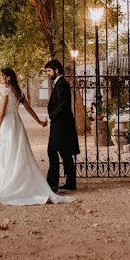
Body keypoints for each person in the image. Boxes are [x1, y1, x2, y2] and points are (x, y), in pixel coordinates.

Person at [0, 67, 73, 205]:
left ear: (8, 78)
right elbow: (28, 107)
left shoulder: (5, 90)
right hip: (17, 124)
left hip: (7, 124)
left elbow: (1, 112)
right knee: (18, 152)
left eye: (1, 76)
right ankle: (20, 179)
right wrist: (39, 121)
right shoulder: (19, 91)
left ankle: (4, 182)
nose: (0, 79)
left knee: (5, 153)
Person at [44, 59, 79, 192]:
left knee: (52, 151)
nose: (47, 73)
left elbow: (64, 104)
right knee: (65, 152)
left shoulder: (62, 84)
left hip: (60, 124)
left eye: (49, 71)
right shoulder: (59, 83)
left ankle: (52, 184)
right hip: (62, 123)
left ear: (56, 70)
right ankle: (71, 182)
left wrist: (51, 116)